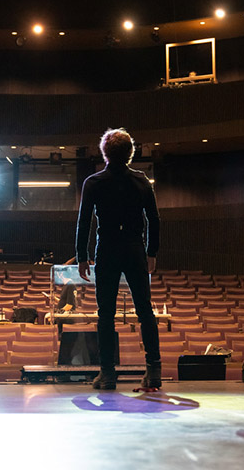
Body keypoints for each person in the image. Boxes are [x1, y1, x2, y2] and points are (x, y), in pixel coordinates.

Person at [77, 128, 161, 390]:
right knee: (145, 311)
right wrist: (152, 252)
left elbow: (84, 223)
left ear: (104, 152)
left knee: (106, 314)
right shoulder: (141, 181)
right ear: (130, 153)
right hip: (135, 249)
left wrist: (82, 256)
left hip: (108, 250)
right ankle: (154, 370)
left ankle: (108, 374)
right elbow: (154, 220)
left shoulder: (93, 182)